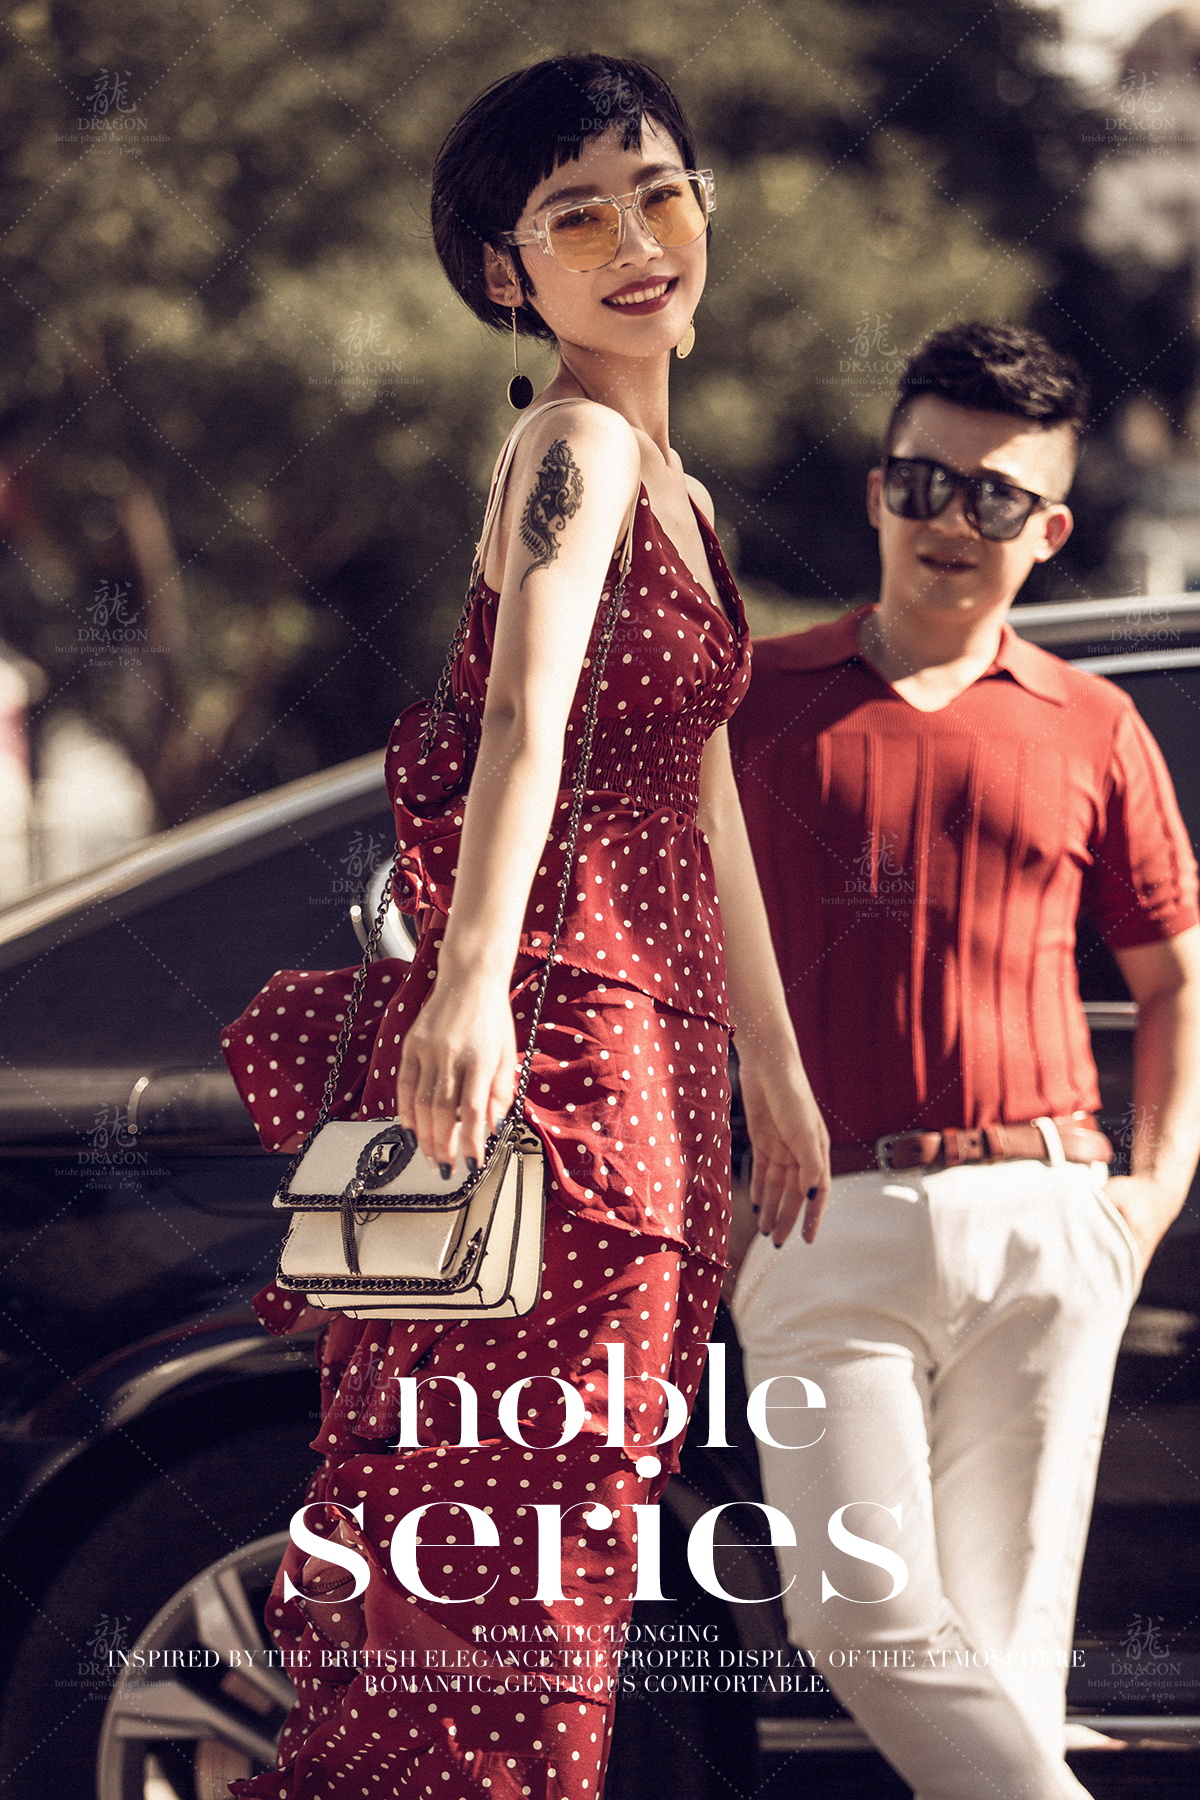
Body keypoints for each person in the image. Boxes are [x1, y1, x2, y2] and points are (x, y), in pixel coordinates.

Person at [220, 54, 828, 1800]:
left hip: (661, 1058)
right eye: (578, 216)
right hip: (566, 1050)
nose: (638, 243)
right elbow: (521, 719)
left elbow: (706, 803)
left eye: (661, 193)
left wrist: (774, 1071)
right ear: (508, 271)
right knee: (518, 1541)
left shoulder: (681, 493)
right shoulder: (570, 444)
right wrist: (469, 985)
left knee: (572, 1530)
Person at [729, 321, 1200, 1800]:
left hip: (1048, 1219)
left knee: (1003, 1661)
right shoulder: (749, 706)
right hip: (821, 1224)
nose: (952, 520)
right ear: (880, 491)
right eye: (925, 482)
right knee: (856, 1611)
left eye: (996, 497)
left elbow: (1177, 982)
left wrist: (1146, 1198)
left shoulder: (1096, 724)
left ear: (1049, 530)